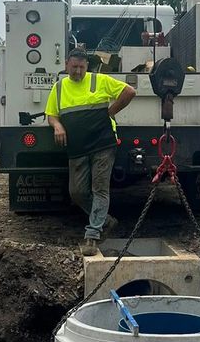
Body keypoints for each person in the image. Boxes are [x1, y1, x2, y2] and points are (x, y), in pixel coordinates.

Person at [46, 49, 136, 255]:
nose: (78, 71)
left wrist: (110, 112)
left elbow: (130, 92)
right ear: (67, 64)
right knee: (76, 192)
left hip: (103, 145)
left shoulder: (100, 80)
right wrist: (57, 125)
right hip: (77, 148)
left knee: (99, 189)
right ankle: (106, 221)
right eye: (74, 67)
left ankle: (93, 235)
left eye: (82, 67)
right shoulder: (59, 88)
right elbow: (51, 114)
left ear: (87, 66)